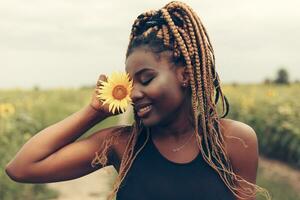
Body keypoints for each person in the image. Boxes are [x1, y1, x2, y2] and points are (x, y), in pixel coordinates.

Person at [5, 1, 270, 200]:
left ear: (185, 75)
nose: (134, 93)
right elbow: (22, 168)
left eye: (146, 79)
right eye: (131, 84)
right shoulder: (122, 144)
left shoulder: (234, 141)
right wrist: (93, 111)